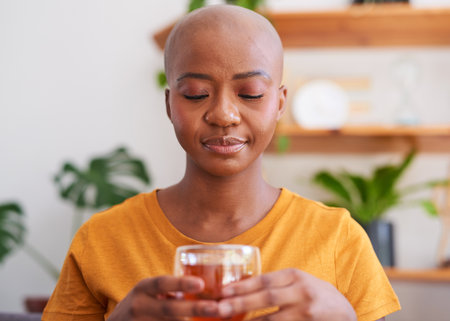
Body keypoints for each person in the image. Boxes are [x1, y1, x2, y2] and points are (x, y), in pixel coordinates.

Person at [42, 4, 400, 321]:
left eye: (251, 94)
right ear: (170, 105)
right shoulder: (102, 240)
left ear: (278, 103)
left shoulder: (339, 239)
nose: (224, 114)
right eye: (196, 94)